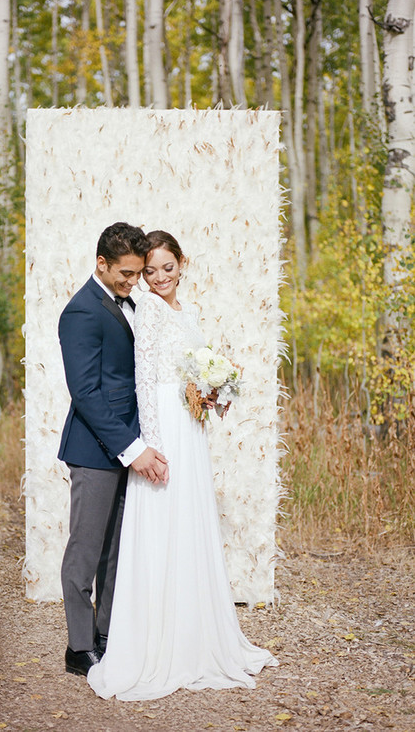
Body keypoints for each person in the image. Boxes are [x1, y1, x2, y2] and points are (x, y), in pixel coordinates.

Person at [87, 230, 278, 700]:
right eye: (149, 271)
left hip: (191, 428)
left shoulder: (186, 312)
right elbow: (144, 380)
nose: (158, 278)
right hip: (166, 431)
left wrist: (211, 393)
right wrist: (150, 446)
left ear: (182, 263)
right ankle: (160, 640)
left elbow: (187, 373)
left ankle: (197, 631)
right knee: (163, 522)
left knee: (190, 522)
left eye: (167, 268)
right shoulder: (149, 311)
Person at [58, 222, 169, 678]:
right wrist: (132, 449)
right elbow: (86, 393)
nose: (133, 282)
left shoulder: (129, 303)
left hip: (130, 444)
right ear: (101, 263)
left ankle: (106, 636)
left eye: (138, 273)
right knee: (85, 551)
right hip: (94, 450)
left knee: (115, 552)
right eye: (126, 273)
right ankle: (79, 647)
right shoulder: (81, 311)